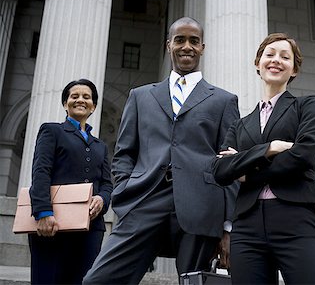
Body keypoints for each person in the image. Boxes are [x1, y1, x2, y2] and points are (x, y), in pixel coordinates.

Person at [83, 17, 239, 284]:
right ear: (169, 45)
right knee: (98, 280)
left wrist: (227, 227)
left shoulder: (224, 100)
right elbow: (124, 153)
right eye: (180, 40)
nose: (186, 46)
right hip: (144, 200)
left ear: (203, 47)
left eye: (193, 41)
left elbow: (230, 166)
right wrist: (124, 192)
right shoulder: (140, 96)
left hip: (201, 208)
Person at [212, 33, 315, 284]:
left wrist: (246, 169)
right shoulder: (240, 125)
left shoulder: (306, 105)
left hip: (296, 216)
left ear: (294, 69)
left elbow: (304, 154)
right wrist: (269, 149)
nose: (276, 60)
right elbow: (221, 170)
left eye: (285, 57)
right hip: (247, 224)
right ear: (258, 63)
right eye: (270, 54)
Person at [28, 79, 113, 284]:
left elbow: (107, 184)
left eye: (86, 97)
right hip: (52, 224)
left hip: (90, 228)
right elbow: (41, 171)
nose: (80, 100)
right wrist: (43, 213)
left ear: (93, 106)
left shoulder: (100, 146)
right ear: (65, 103)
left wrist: (102, 199)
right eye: (74, 96)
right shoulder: (51, 131)